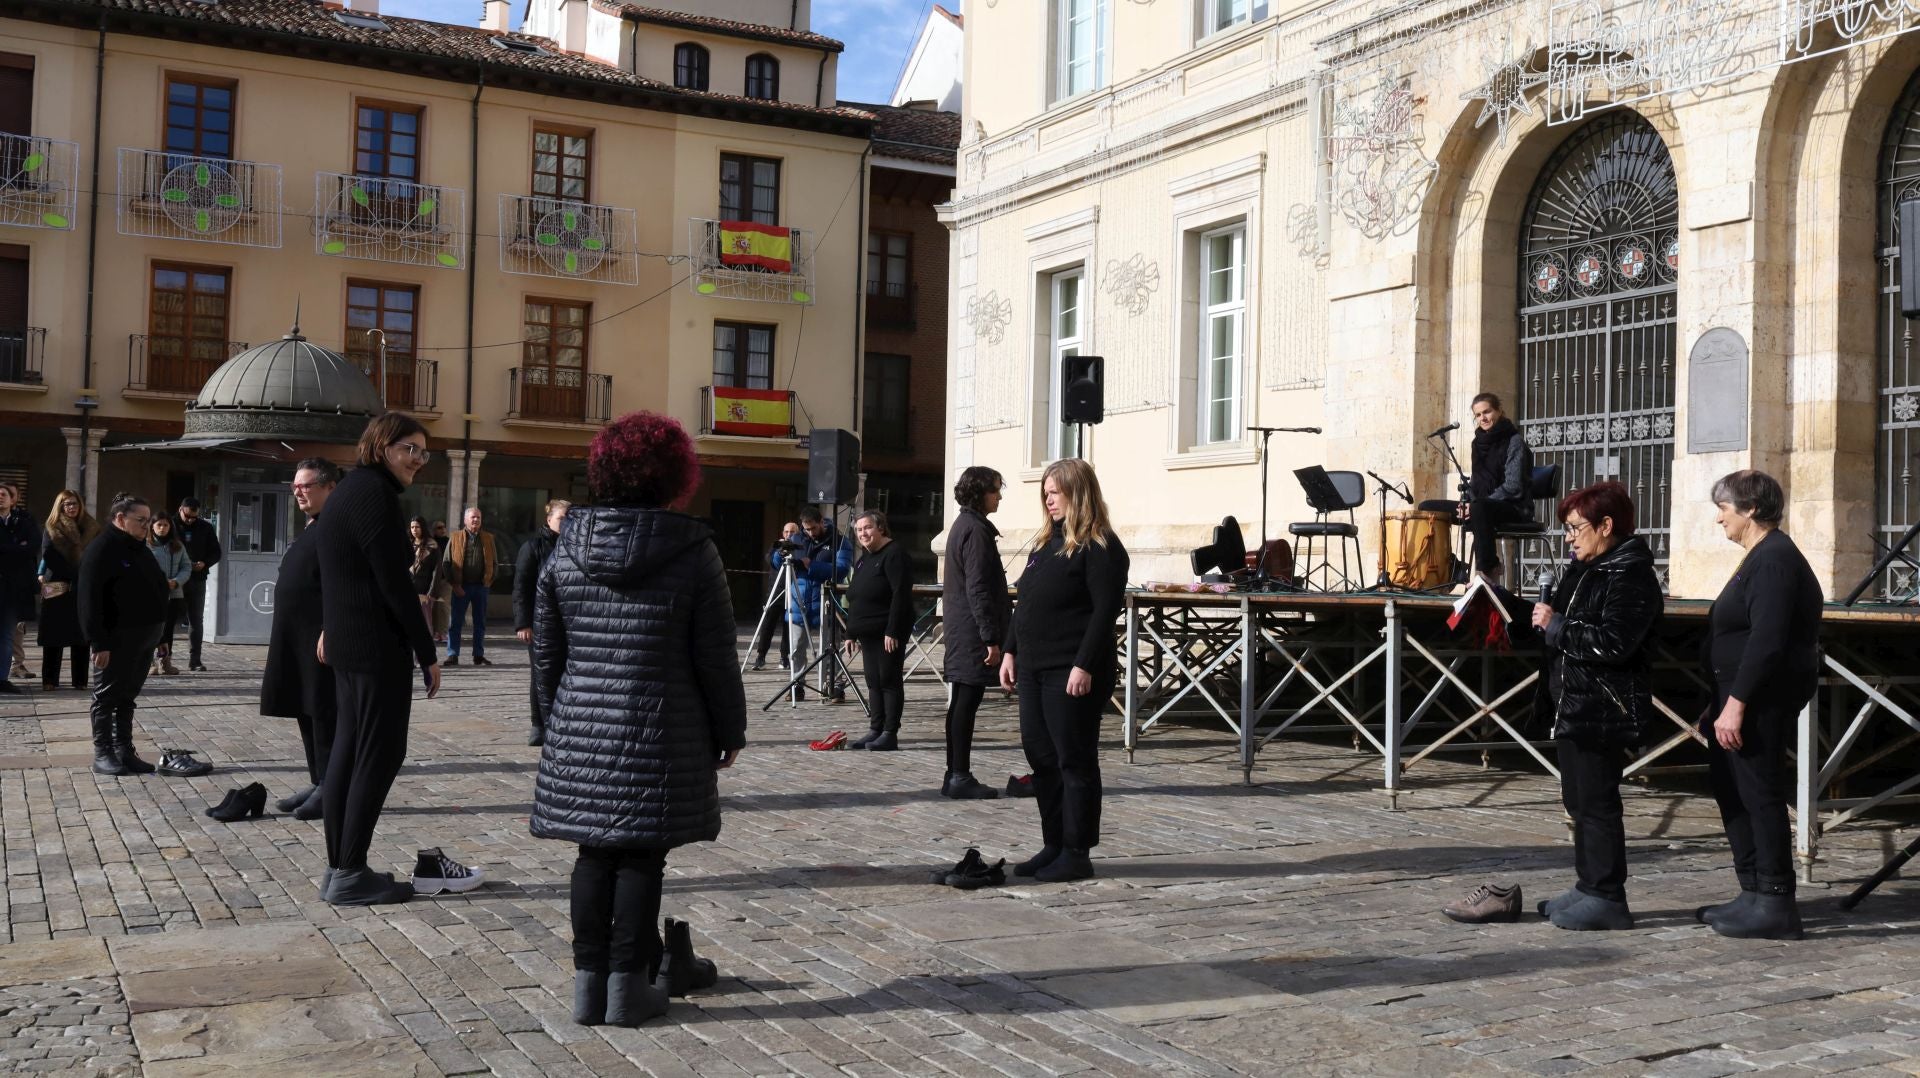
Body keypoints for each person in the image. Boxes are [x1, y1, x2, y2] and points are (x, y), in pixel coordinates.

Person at [530, 411, 745, 1028]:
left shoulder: (565, 549)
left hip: (580, 727)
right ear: (676, 475)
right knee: (642, 857)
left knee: (593, 855)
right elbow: (714, 655)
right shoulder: (693, 551)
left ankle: (587, 990)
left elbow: (547, 653)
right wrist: (729, 731)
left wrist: (554, 724)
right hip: (659, 730)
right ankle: (628, 991)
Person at [313, 413, 463, 906]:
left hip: (353, 646)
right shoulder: (374, 496)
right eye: (409, 449)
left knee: (349, 753)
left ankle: (341, 867)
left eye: (424, 452)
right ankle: (349, 870)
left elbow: (341, 572)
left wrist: (331, 627)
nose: (419, 460)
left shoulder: (350, 491)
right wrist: (427, 653)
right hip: (376, 649)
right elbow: (393, 585)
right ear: (381, 447)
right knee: (376, 756)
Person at [1526, 480, 1662, 931]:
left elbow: (1615, 643)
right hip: (1572, 702)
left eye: (1575, 528)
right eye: (1566, 529)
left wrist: (1558, 626)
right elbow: (1558, 624)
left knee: (1598, 803)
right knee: (1578, 801)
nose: (1569, 537)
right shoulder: (1584, 568)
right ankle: (1587, 885)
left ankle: (1607, 894)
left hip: (1604, 706)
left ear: (1606, 526)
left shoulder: (1630, 574)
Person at [1696, 470, 1823, 940]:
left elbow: (1767, 640)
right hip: (1734, 696)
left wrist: (1737, 704)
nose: (1718, 520)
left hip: (1759, 700)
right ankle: (1751, 889)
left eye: (1724, 510)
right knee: (1734, 791)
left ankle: (1774, 898)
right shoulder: (1759, 557)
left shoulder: (1774, 560)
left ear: (1750, 510)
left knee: (1759, 792)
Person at [998, 459, 1129, 884]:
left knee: (1074, 760)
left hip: (1071, 670)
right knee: (1042, 758)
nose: (1048, 499)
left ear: (1078, 492)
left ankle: (1077, 851)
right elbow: (1026, 603)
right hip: (1035, 668)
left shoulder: (1101, 546)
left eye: (1055, 491)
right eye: (1045, 492)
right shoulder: (1043, 544)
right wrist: (1010, 652)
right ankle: (1053, 843)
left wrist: (1083, 664)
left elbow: (1104, 612)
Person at [262, 459, 342, 823]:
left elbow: (343, 584)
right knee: (304, 708)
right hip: (295, 636)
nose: (297, 492)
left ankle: (332, 785)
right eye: (295, 486)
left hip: (319, 637)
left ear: (329, 487)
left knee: (324, 710)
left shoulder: (339, 527)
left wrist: (331, 626)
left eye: (305, 486)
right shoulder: (314, 525)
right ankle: (317, 779)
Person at [79, 493, 169, 776]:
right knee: (106, 696)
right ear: (120, 519)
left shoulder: (139, 547)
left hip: (145, 636)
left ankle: (123, 749)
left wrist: (163, 635)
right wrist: (98, 642)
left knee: (127, 696)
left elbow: (157, 589)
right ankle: (103, 752)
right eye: (140, 520)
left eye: (147, 520)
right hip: (115, 638)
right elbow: (89, 600)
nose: (146, 526)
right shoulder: (102, 549)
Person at [941, 466, 1010, 799]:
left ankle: (955, 773)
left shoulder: (965, 525)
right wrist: (990, 637)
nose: (999, 496)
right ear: (979, 492)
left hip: (962, 629)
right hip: (971, 632)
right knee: (966, 702)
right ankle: (959, 774)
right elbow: (978, 587)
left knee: (961, 702)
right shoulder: (975, 530)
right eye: (995, 490)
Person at [1424, 393, 1535, 576]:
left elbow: (1513, 486)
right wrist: (1467, 503)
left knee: (1479, 508)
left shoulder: (1514, 442)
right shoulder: (1477, 443)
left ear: (1499, 411)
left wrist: (1475, 506)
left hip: (1514, 508)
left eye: (1487, 412)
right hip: (1481, 506)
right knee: (1427, 507)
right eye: (1478, 415)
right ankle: (1444, 570)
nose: (1483, 418)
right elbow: (1476, 483)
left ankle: (1487, 570)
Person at [844, 510, 916, 751]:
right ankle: (875, 728)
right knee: (873, 681)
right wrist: (850, 633)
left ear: (881, 528)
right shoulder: (864, 558)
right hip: (867, 632)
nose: (863, 533)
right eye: (859, 530)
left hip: (887, 632)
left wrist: (893, 630)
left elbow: (900, 595)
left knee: (888, 680)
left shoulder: (895, 554)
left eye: (867, 528)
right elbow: (855, 597)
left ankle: (889, 732)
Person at [514, 498, 570, 747]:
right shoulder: (533, 547)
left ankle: (563, 721)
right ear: (549, 520)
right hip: (540, 622)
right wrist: (523, 623)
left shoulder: (575, 547)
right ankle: (539, 723)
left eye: (570, 519)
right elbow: (521, 587)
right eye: (562, 519)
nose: (566, 523)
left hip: (568, 621)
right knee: (541, 674)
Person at [784, 507, 852, 702]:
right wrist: (778, 555)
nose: (810, 533)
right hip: (799, 599)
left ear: (822, 522)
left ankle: (835, 685)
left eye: (813, 528)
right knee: (796, 648)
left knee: (831, 648)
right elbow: (776, 563)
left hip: (826, 601)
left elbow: (840, 570)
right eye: (806, 529)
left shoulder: (839, 541)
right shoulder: (797, 540)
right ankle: (797, 685)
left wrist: (810, 565)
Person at [39, 490, 99, 692]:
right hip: (57, 583)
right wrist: (73, 574)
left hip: (83, 584)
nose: (71, 507)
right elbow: (48, 554)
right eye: (67, 504)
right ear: (60, 506)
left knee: (80, 633)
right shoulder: (51, 527)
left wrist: (84, 575)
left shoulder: (91, 527)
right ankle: (49, 679)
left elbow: (97, 553)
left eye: (74, 503)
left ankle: (80, 680)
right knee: (53, 634)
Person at [0, 480, 42, 693]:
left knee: (7, 634)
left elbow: (33, 546)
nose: (0, 497)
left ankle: (2, 678)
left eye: (4, 494)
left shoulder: (24, 521)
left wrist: (8, 550)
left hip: (12, 588)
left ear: (12, 499)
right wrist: (16, 547)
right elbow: (22, 550)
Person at [442, 506, 497, 667]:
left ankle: (478, 655)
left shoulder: (488, 538)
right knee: (455, 623)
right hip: (461, 587)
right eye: (472, 517)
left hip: (481, 587)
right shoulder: (455, 537)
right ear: (465, 520)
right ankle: (452, 655)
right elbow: (446, 563)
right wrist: (454, 584)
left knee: (480, 623)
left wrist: (488, 582)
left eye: (478, 517)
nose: (476, 520)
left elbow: (494, 563)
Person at [172, 496, 222, 671]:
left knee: (196, 620)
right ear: (180, 509)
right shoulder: (169, 525)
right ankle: (165, 660)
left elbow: (216, 552)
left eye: (194, 516)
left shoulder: (205, 528)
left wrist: (205, 563)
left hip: (197, 579)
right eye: (188, 516)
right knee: (168, 620)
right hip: (175, 579)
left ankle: (195, 660)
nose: (191, 520)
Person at [749, 522, 800, 671]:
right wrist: (780, 552)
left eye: (792, 532)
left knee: (788, 626)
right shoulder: (777, 545)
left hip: (793, 591)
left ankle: (785, 657)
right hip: (776, 590)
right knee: (768, 625)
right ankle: (760, 656)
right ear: (782, 533)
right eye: (786, 531)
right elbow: (769, 559)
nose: (789, 534)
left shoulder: (799, 546)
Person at [145, 515, 191, 677]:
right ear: (152, 526)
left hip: (173, 594)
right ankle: (149, 663)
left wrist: (177, 581)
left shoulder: (177, 546)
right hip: (151, 594)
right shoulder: (146, 545)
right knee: (151, 629)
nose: (162, 528)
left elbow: (186, 566)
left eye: (165, 525)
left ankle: (165, 662)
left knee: (168, 629)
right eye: (159, 525)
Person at [407, 517, 440, 629]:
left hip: (424, 589)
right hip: (408, 587)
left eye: (417, 527)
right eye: (412, 527)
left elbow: (437, 570)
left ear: (423, 528)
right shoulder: (407, 544)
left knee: (425, 622)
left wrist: (432, 591)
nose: (414, 529)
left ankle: (426, 645)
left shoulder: (432, 545)